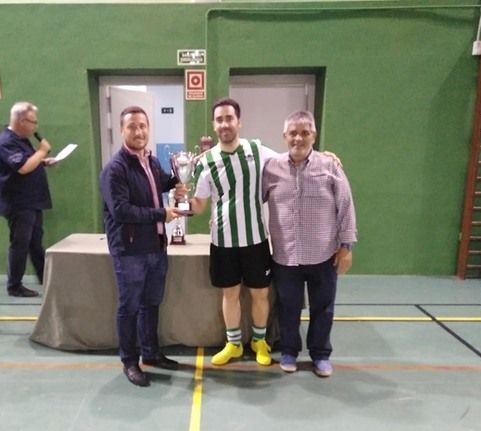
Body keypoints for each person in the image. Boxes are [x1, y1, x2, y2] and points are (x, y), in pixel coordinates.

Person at [263, 110, 357, 377]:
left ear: (314, 136)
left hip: (324, 255)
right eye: (293, 133)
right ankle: (289, 351)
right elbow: (249, 198)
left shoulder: (330, 166)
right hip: (285, 255)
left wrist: (346, 246)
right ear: (284, 136)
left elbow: (346, 205)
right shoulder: (271, 168)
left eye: (305, 133)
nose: (298, 138)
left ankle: (320, 354)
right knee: (288, 307)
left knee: (323, 308)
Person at [99, 106, 185, 387]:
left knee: (151, 304)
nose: (139, 132)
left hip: (156, 247)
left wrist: (178, 181)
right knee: (130, 307)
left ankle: (151, 353)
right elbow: (121, 210)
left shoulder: (151, 161)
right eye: (132, 126)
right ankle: (129, 361)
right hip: (130, 251)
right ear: (121, 130)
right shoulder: (115, 169)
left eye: (143, 126)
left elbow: (161, 182)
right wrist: (161, 214)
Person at [189, 98, 276, 367]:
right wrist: (182, 201)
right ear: (214, 125)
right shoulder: (206, 162)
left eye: (229, 118)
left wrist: (323, 157)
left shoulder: (257, 150)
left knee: (260, 294)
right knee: (230, 294)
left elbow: (290, 160)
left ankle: (259, 341)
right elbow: (199, 205)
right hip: (223, 242)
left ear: (239, 121)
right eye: (219, 119)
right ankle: (234, 344)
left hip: (256, 239)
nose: (224, 124)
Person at [0, 101, 57, 298]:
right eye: (33, 122)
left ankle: (46, 278)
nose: (35, 126)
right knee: (20, 243)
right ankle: (14, 286)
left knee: (35, 242)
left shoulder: (22, 140)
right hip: (19, 203)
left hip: (32, 200)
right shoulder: (6, 142)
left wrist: (42, 161)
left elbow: (28, 161)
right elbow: (22, 167)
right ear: (21, 121)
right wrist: (42, 151)